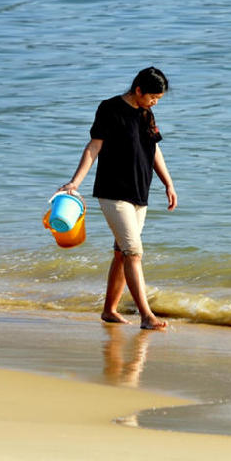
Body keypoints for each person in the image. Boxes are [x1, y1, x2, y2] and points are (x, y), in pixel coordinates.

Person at [58, 67, 176, 330]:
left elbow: (154, 148)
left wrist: (168, 183)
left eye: (158, 98)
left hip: (139, 194)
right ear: (138, 90)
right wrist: (75, 182)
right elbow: (94, 146)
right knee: (134, 252)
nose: (155, 101)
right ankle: (147, 316)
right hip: (113, 194)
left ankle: (109, 310)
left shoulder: (146, 113)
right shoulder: (109, 109)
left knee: (122, 254)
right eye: (153, 97)